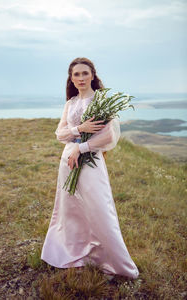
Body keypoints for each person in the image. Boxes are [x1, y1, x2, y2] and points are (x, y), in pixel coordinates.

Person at [41, 57, 139, 279]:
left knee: (99, 209)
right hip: (67, 162)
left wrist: (81, 147)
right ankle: (75, 252)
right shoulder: (70, 103)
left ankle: (113, 261)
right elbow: (60, 134)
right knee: (71, 209)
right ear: (71, 78)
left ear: (93, 75)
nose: (81, 78)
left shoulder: (102, 101)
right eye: (76, 74)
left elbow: (108, 135)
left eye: (85, 73)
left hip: (90, 162)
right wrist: (79, 129)